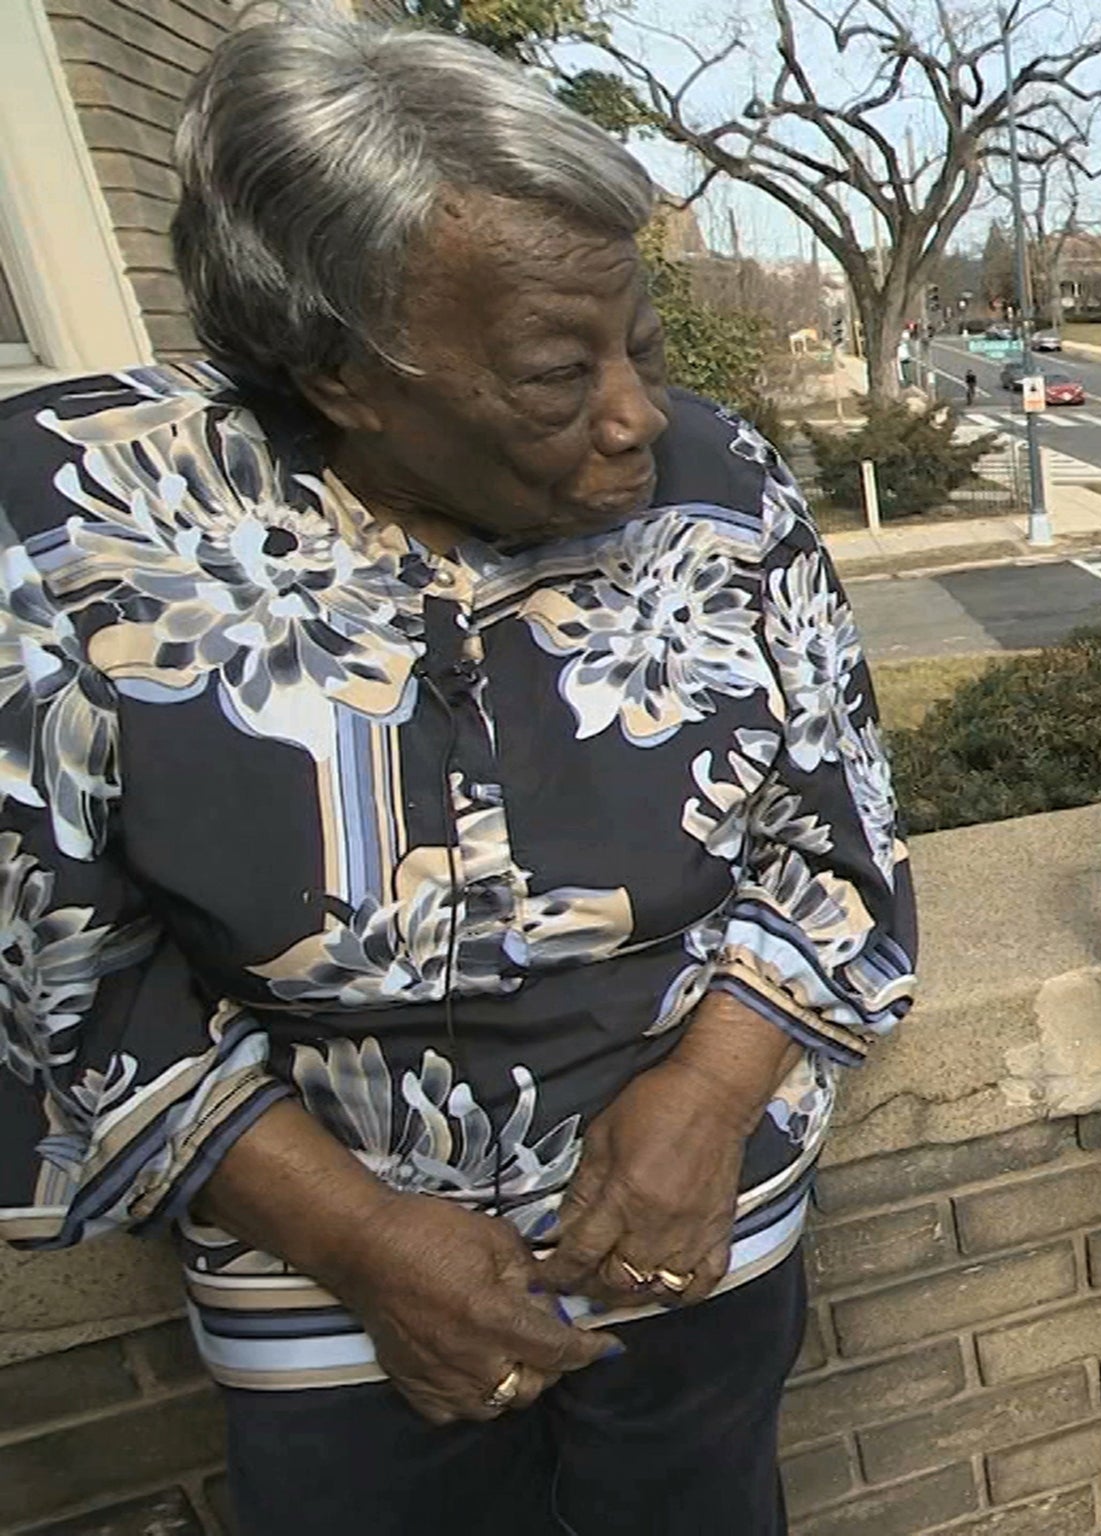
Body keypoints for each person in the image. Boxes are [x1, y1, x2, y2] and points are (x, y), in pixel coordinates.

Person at [0, 14, 915, 1536]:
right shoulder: (71, 525)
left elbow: (832, 838)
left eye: (645, 342)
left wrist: (707, 1093)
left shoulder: (718, 479)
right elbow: (65, 975)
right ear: (339, 368)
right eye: (558, 373)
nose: (636, 413)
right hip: (327, 1292)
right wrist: (363, 1243)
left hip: (698, 1229)